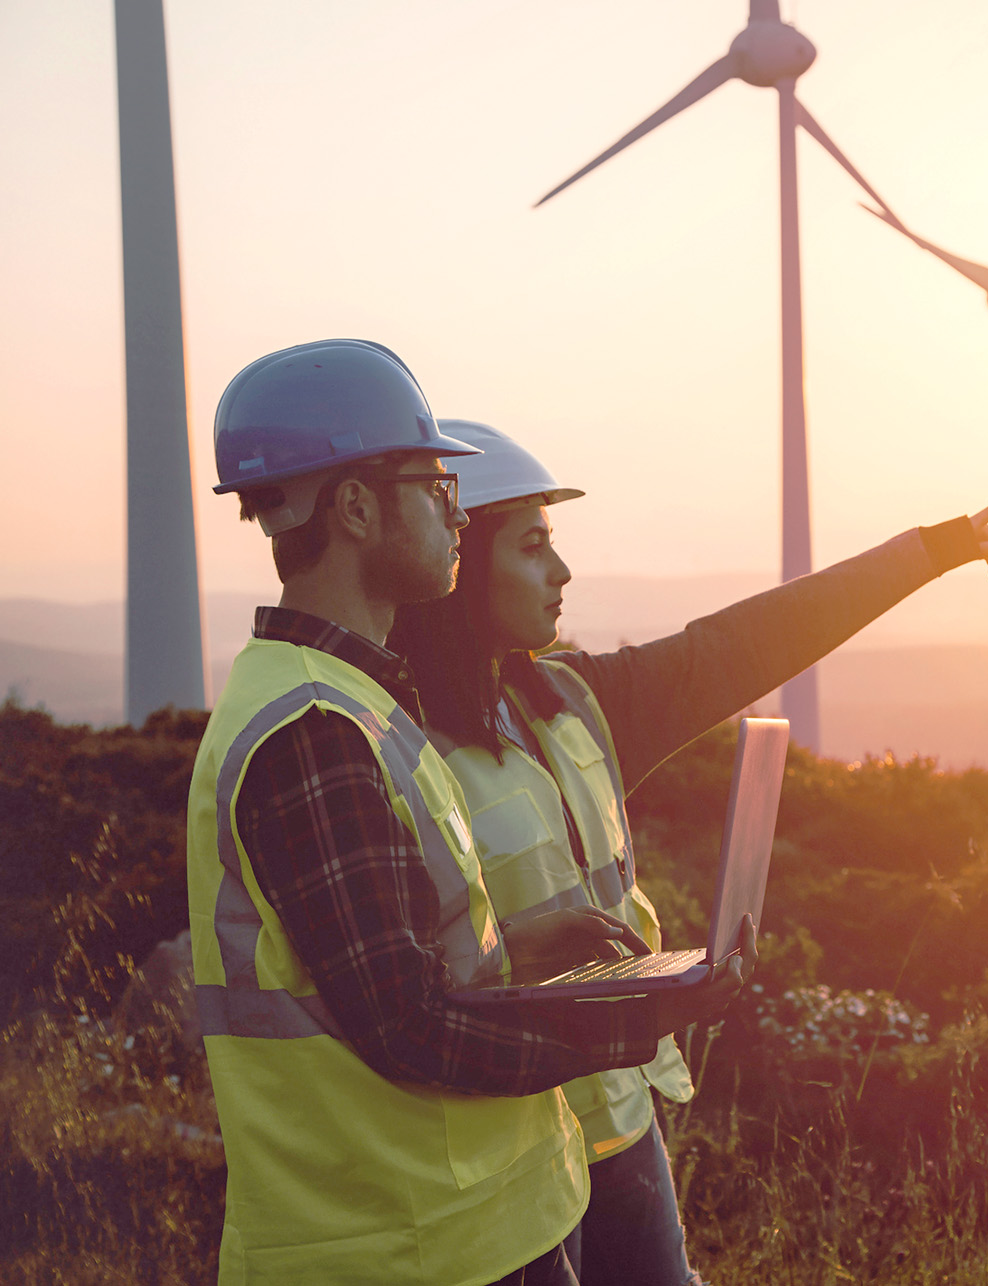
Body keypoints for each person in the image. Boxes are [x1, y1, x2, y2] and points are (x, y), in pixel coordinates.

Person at [386, 420, 988, 1284]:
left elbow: (745, 642)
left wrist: (928, 552)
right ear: (461, 566)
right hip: (505, 1151)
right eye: (533, 547)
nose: (562, 572)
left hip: (620, 1117)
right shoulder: (395, 748)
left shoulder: (574, 704)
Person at [184, 340, 749, 1286]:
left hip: (471, 1228)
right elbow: (408, 1026)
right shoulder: (311, 733)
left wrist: (525, 949)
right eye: (437, 484)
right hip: (408, 1248)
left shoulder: (357, 702)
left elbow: (391, 968)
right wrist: (637, 1019)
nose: (457, 511)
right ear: (357, 508)